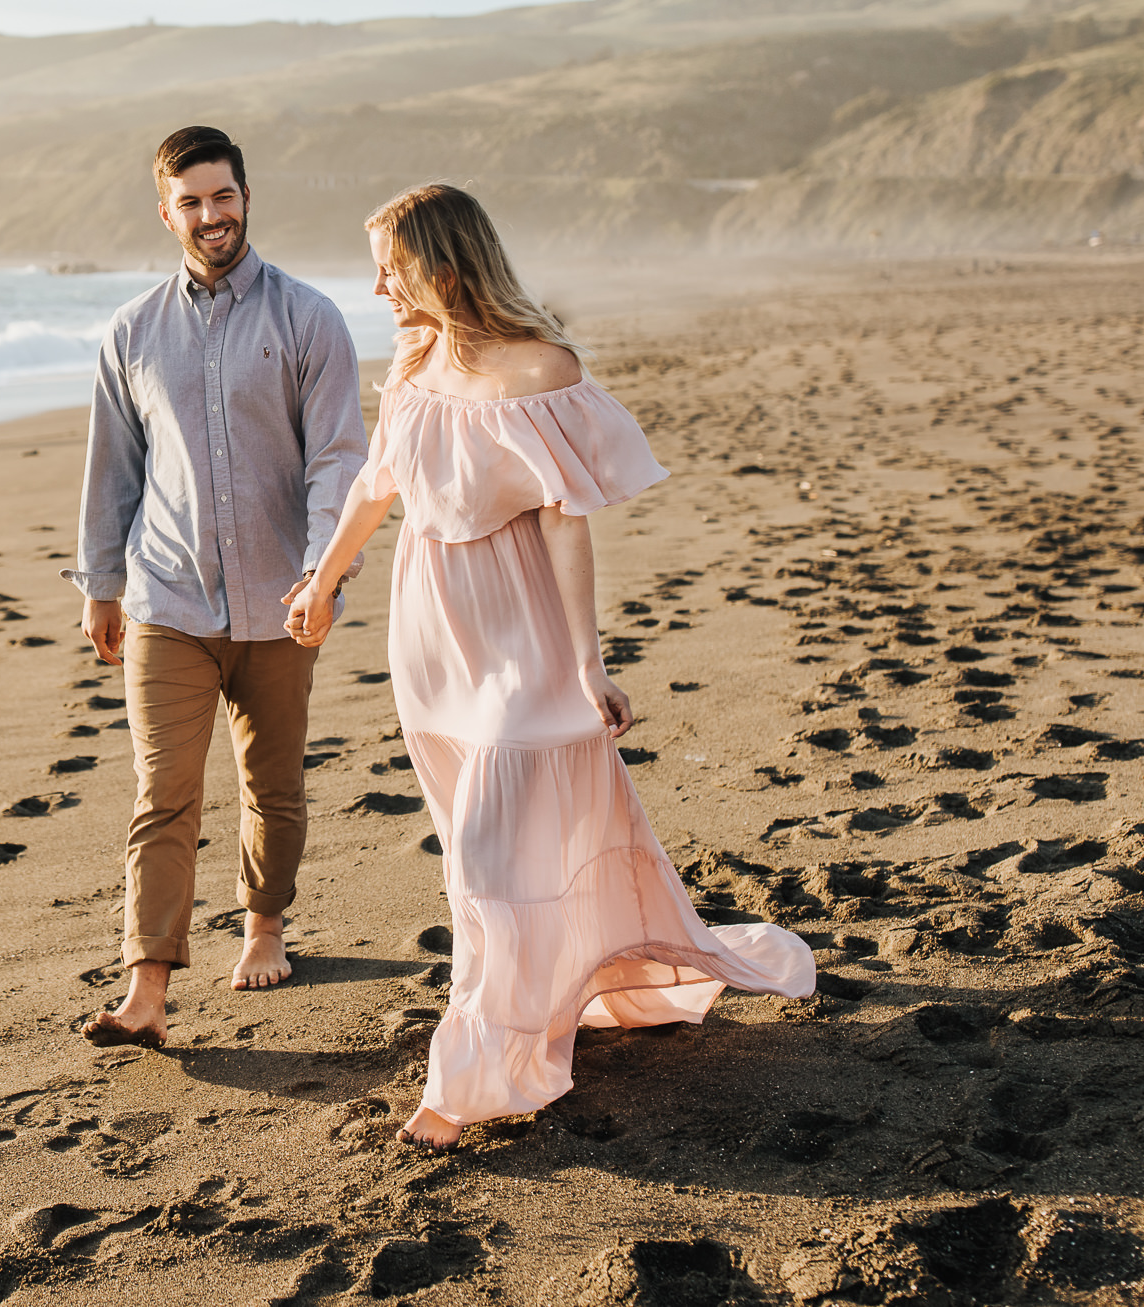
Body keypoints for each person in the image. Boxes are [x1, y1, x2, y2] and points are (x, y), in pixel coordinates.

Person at [284, 184, 813, 1147]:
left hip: (521, 641)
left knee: (488, 857)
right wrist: (322, 581)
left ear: (444, 269)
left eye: (390, 269)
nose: (374, 287)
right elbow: (378, 481)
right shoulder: (413, 362)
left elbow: (566, 523)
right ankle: (565, 985)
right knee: (477, 844)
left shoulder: (543, 369)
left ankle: (476, 1075)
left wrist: (587, 662)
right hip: (432, 636)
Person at [67, 125, 369, 1049]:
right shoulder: (131, 331)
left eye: (223, 196)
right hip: (169, 599)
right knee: (164, 790)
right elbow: (112, 468)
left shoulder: (309, 318)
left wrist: (322, 573)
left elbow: (338, 460)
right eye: (191, 201)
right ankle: (146, 989)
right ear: (167, 212)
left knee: (272, 787)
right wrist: (101, 583)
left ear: (246, 198)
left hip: (284, 597)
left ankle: (265, 925)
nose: (210, 215)